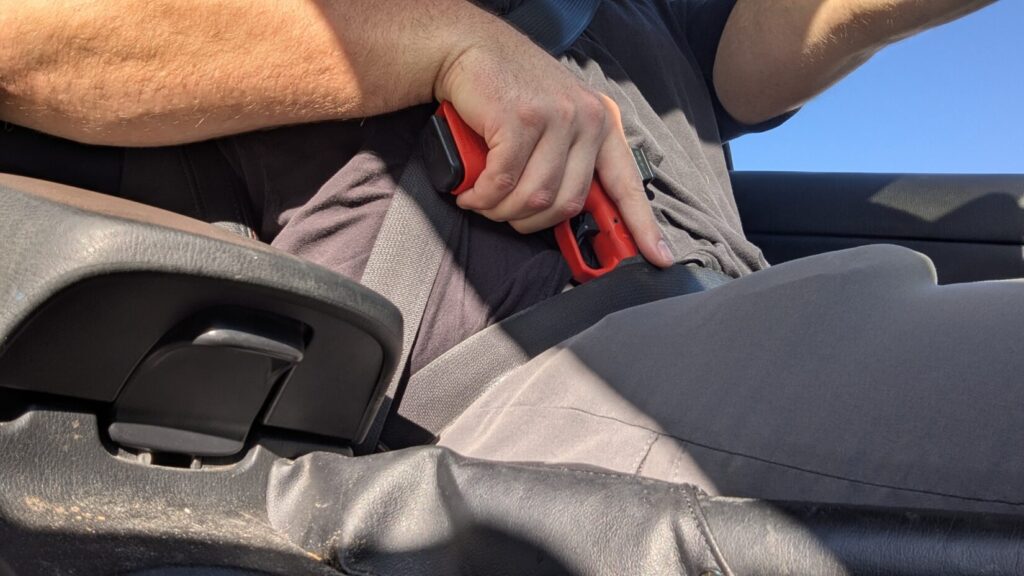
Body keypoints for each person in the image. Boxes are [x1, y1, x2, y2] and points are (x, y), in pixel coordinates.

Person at [3, 0, 1017, 514]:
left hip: (751, 318)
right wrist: (446, 40)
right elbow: (29, 36)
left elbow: (775, 40)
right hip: (511, 372)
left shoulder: (644, 17)